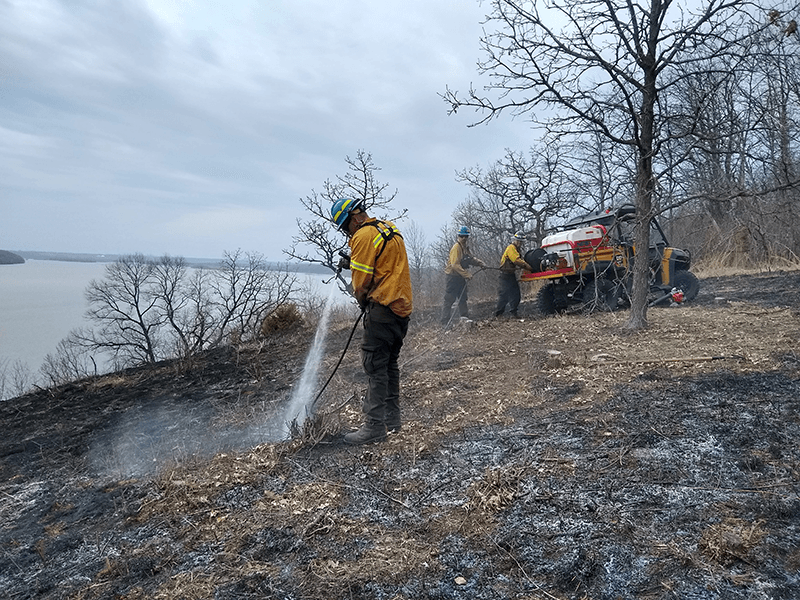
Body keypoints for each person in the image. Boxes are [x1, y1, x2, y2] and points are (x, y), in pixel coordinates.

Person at [330, 197, 413, 445]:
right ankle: (392, 420)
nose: (348, 232)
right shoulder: (389, 229)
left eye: (346, 227)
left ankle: (374, 427)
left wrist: (362, 299)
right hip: (400, 309)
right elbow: (384, 265)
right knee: (389, 365)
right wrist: (352, 262)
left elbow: (361, 283)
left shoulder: (363, 236)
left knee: (375, 365)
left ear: (353, 218)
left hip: (383, 309)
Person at [441, 226, 485, 326]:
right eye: (462, 236)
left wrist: (480, 263)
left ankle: (464, 317)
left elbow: (470, 258)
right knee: (449, 300)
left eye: (466, 236)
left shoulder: (464, 248)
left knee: (463, 298)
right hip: (452, 277)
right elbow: (455, 265)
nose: (464, 238)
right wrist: (467, 275)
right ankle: (445, 322)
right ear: (458, 236)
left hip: (460, 277)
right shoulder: (456, 248)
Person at [495, 231, 532, 318]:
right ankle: (498, 314)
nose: (520, 243)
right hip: (505, 275)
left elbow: (520, 260)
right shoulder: (511, 248)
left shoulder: (516, 249)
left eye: (521, 242)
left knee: (516, 294)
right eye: (519, 241)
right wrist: (528, 266)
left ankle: (513, 313)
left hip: (510, 275)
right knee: (504, 295)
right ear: (515, 240)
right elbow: (516, 260)